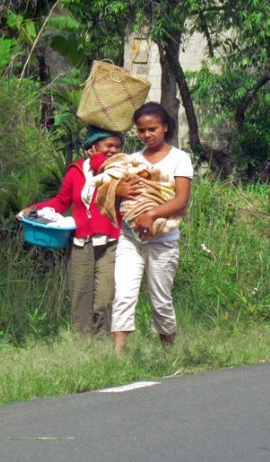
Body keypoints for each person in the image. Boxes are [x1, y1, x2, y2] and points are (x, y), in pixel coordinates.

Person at [18, 126, 123, 335]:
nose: (114, 150)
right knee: (80, 298)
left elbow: (107, 181)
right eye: (109, 146)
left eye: (118, 146)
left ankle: (102, 344)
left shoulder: (120, 170)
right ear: (92, 147)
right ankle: (82, 347)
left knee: (104, 298)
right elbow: (61, 201)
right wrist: (35, 209)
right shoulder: (76, 171)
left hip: (110, 242)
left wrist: (99, 161)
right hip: (80, 243)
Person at [110, 102, 193, 354]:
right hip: (130, 239)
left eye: (152, 129)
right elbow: (114, 197)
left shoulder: (180, 159)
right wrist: (118, 190)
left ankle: (168, 352)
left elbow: (181, 199)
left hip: (163, 242)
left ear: (165, 128)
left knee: (160, 300)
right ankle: (118, 356)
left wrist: (152, 214)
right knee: (124, 295)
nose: (147, 135)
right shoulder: (131, 161)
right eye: (142, 130)